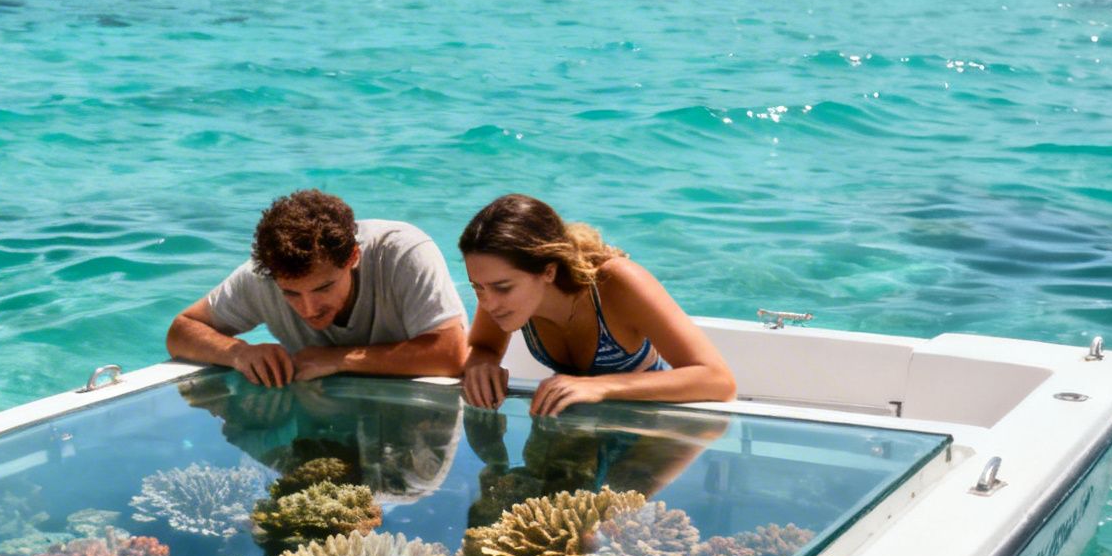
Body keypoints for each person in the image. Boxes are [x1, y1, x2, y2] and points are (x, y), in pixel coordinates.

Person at [457, 194, 737, 415]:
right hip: (570, 425)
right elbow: (485, 346)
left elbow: (718, 380)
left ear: (548, 272)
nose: (488, 303)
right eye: (476, 287)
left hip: (650, 427)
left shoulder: (615, 283)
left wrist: (600, 386)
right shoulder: (498, 294)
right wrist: (482, 363)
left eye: (502, 287)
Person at [167, 189, 468, 386]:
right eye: (291, 293)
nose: (308, 309)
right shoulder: (264, 275)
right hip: (316, 420)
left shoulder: (403, 253)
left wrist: (338, 359)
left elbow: (451, 353)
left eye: (323, 287)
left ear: (353, 257)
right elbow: (182, 331)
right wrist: (238, 353)